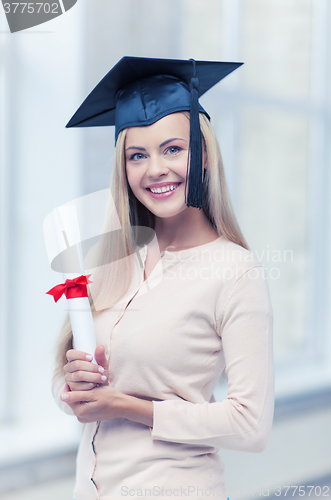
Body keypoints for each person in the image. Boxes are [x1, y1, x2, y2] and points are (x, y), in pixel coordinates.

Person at [52, 57, 274, 500]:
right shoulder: (110, 259)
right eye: (137, 155)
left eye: (172, 149)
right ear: (124, 168)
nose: (155, 169)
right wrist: (73, 386)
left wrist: (129, 408)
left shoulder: (234, 271)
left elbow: (251, 425)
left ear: (203, 155)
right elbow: (66, 386)